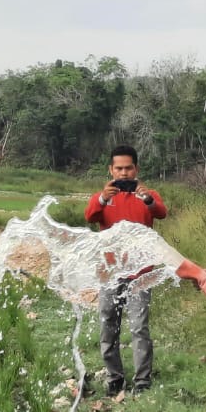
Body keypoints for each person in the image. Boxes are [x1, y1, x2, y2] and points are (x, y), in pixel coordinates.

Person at [84, 145, 168, 395]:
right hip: (110, 273)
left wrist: (148, 199)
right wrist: (103, 198)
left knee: (139, 327)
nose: (123, 173)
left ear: (136, 169)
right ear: (110, 170)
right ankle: (115, 378)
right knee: (108, 324)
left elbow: (161, 213)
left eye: (128, 168)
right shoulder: (103, 198)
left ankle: (142, 382)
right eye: (118, 168)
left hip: (141, 274)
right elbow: (89, 216)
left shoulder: (148, 194)